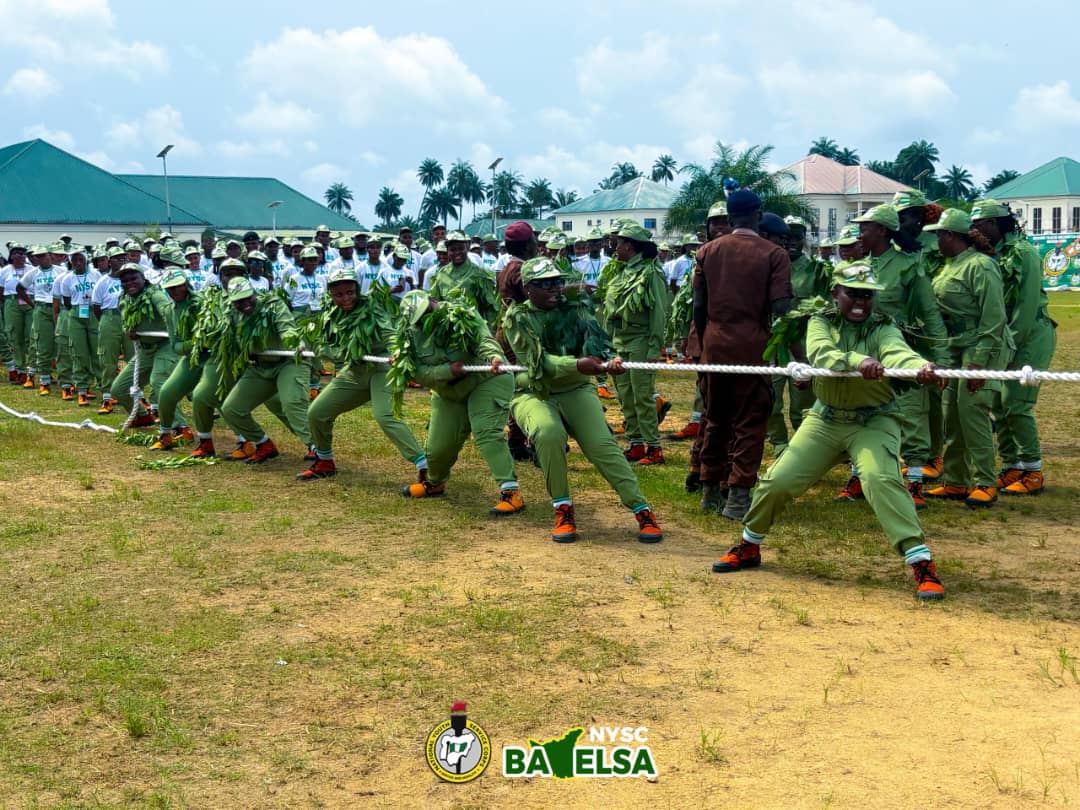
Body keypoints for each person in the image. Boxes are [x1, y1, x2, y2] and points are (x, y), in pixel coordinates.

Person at [712, 262, 946, 601]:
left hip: (874, 422)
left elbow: (898, 352)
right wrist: (857, 361)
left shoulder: (883, 327)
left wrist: (920, 367)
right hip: (825, 419)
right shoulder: (820, 321)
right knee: (778, 481)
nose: (860, 302)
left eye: (867, 295)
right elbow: (822, 353)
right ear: (836, 293)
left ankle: (921, 562)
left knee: (880, 480)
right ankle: (749, 545)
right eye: (853, 294)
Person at [503, 257, 663, 543]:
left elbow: (597, 339)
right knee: (548, 433)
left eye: (557, 281)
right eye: (545, 284)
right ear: (528, 288)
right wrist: (577, 364)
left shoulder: (575, 308)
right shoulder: (517, 317)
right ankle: (563, 509)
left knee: (602, 445)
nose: (554, 288)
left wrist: (609, 358)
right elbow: (539, 362)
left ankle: (642, 510)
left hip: (576, 389)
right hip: (534, 392)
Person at [836, 204, 950, 509]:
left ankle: (914, 481)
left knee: (912, 415)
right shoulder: (859, 267)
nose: (860, 233)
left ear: (882, 230)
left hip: (901, 351)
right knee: (862, 413)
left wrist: (942, 359)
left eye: (865, 228)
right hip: (864, 353)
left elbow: (930, 314)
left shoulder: (908, 266)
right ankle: (859, 476)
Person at [693, 189, 792, 520]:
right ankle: (737, 497)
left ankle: (709, 490)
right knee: (751, 422)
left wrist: (705, 345)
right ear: (758, 215)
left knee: (715, 419)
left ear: (730, 217)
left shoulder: (707, 252)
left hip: (714, 345)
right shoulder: (774, 254)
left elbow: (699, 307)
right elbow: (781, 307)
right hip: (753, 347)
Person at [394, 290, 524, 515]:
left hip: (487, 380)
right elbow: (417, 372)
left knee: (486, 432)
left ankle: (511, 492)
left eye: (428, 311)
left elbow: (483, 338)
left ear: (434, 301)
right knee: (438, 449)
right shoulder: (408, 337)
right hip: (448, 392)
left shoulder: (463, 314)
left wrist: (494, 357)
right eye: (420, 319)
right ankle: (434, 483)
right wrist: (447, 371)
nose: (426, 319)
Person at [298, 268, 428, 483]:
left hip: (382, 367)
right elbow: (321, 341)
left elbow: (389, 332)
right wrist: (308, 345)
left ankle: (425, 465)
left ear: (357, 289)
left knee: (385, 416)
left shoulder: (372, 306)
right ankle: (324, 461)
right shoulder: (330, 313)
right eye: (339, 294)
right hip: (355, 370)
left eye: (350, 292)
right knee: (317, 412)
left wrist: (396, 350)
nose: (345, 298)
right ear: (331, 294)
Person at [923, 208, 1008, 508]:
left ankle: (985, 481)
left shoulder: (980, 266)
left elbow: (994, 318)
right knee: (953, 414)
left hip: (982, 346)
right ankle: (957, 481)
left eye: (938, 235)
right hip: (956, 346)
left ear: (950, 236)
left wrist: (979, 361)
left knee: (972, 411)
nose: (935, 241)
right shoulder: (948, 266)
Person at [972, 199, 1055, 495]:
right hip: (1006, 336)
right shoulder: (992, 253)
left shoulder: (1023, 253)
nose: (973, 230)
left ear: (994, 224)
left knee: (1017, 405)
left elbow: (1027, 306)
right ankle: (1012, 466)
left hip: (1030, 335)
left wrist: (1010, 347)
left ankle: (1033, 471)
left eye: (978, 224)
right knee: (998, 403)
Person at [219, 278, 313, 464]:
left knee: (292, 403)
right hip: (259, 366)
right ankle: (263, 444)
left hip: (289, 362)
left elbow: (287, 326)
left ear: (254, 293)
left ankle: (317, 447)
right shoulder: (231, 313)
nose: (245, 304)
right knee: (231, 409)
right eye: (238, 301)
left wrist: (293, 342)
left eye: (248, 298)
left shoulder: (273, 304)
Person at [602, 223, 671, 465]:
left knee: (642, 396)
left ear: (630, 246)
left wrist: (654, 348)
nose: (615, 247)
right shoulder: (620, 272)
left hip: (641, 342)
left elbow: (658, 313)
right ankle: (636, 443)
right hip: (620, 342)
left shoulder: (651, 273)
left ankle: (654, 448)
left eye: (619, 243)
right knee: (625, 396)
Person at [766, 216, 831, 456]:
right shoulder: (768, 266)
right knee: (769, 401)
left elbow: (828, 308)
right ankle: (779, 445)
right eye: (786, 236)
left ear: (804, 238)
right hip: (773, 345)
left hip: (804, 345)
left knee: (802, 405)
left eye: (797, 236)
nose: (791, 241)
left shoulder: (817, 270)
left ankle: (804, 451)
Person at [110, 263, 179, 428]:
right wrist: (128, 330)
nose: (129, 283)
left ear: (143, 279)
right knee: (118, 389)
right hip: (145, 350)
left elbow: (167, 312)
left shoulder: (155, 295)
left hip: (165, 345)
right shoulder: (124, 299)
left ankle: (179, 426)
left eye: (133, 278)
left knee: (159, 383)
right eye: (124, 281)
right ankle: (142, 416)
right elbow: (125, 322)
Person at [58, 249, 102, 406]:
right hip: (76, 314)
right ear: (71, 262)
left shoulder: (96, 275)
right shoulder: (67, 279)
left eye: (81, 259)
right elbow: (67, 302)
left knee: (98, 352)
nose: (78, 263)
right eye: (74, 260)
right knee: (79, 353)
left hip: (93, 312)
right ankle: (82, 390)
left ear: (86, 260)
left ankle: (105, 389)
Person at [427, 231, 500, 326]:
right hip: (447, 328)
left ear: (467, 249)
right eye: (453, 250)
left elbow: (490, 308)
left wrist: (490, 331)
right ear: (448, 252)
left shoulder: (479, 274)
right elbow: (435, 302)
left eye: (461, 248)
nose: (457, 252)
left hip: (474, 328)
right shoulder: (441, 274)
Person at [91, 247, 132, 414]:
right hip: (109, 317)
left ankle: (134, 394)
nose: (121, 261)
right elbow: (96, 307)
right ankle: (107, 397)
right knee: (108, 359)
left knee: (133, 358)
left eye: (123, 258)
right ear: (109, 261)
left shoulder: (130, 279)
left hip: (128, 318)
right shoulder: (103, 281)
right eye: (117, 258)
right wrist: (106, 321)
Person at [18, 245, 60, 395]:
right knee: (42, 345)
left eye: (44, 255)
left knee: (62, 343)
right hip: (42, 308)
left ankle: (67, 381)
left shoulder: (60, 271)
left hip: (58, 308)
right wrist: (33, 304)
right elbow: (20, 288)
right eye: (39, 256)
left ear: (50, 255)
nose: (43, 259)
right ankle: (44, 381)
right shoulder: (33, 273)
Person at [0, 244, 34, 384]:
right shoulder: (5, 271)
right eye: (17, 253)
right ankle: (20, 370)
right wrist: (9, 304)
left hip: (30, 302)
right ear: (12, 256)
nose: (21, 255)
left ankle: (32, 369)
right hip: (12, 302)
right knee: (15, 336)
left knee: (31, 336)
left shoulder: (31, 270)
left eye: (23, 253)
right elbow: (1, 291)